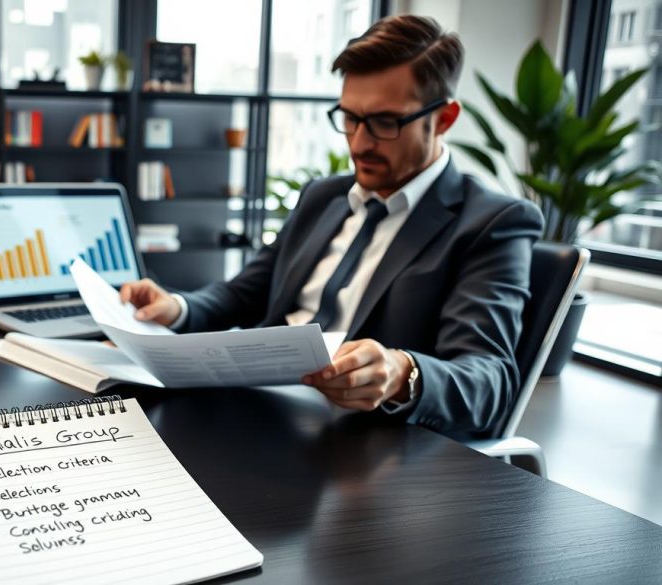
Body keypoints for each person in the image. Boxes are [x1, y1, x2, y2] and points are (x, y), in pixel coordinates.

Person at [119, 15, 544, 439]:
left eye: (385, 122)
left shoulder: (492, 223)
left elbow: (489, 382)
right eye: (350, 118)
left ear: (445, 118)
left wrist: (402, 373)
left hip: (358, 440)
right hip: (259, 409)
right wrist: (179, 308)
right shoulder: (322, 197)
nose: (359, 143)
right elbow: (242, 294)